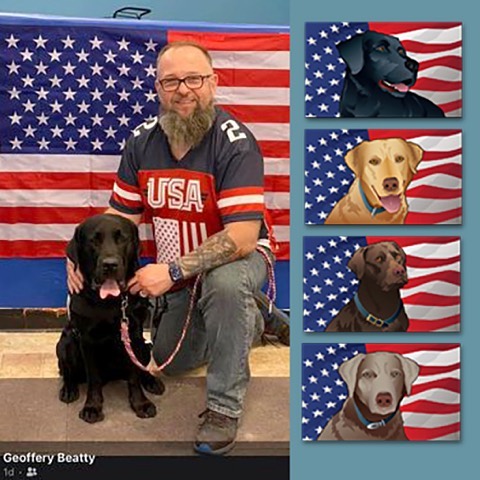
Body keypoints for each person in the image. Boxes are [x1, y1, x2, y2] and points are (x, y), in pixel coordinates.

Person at [67, 40, 289, 455]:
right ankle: (255, 316)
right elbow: (117, 222)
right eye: (171, 81)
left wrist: (170, 273)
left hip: (237, 259)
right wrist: (75, 254)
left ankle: (223, 408)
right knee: (173, 360)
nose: (183, 89)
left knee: (224, 284)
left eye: (194, 79)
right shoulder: (142, 141)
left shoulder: (235, 142)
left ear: (214, 83)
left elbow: (241, 238)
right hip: (180, 274)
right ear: (157, 88)